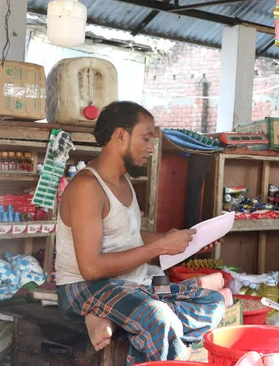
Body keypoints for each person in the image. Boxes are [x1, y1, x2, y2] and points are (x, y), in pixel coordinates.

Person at [55, 101, 225, 365]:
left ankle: (114, 318)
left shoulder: (124, 181)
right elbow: (90, 268)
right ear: (120, 135)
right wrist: (159, 248)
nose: (151, 147)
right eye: (146, 138)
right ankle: (119, 319)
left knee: (213, 301)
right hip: (84, 287)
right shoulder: (87, 187)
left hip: (130, 282)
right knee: (158, 318)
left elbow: (129, 236)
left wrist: (185, 241)